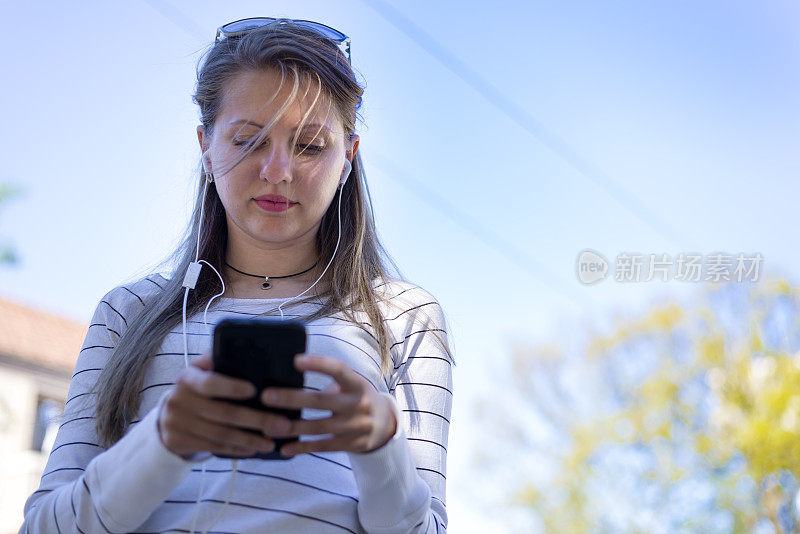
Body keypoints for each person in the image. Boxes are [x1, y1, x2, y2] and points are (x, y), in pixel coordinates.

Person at [19, 17, 454, 534]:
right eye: (249, 140)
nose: (277, 170)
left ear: (348, 159)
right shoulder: (127, 312)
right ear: (206, 146)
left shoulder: (402, 317)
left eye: (311, 145)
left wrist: (383, 449)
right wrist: (163, 439)